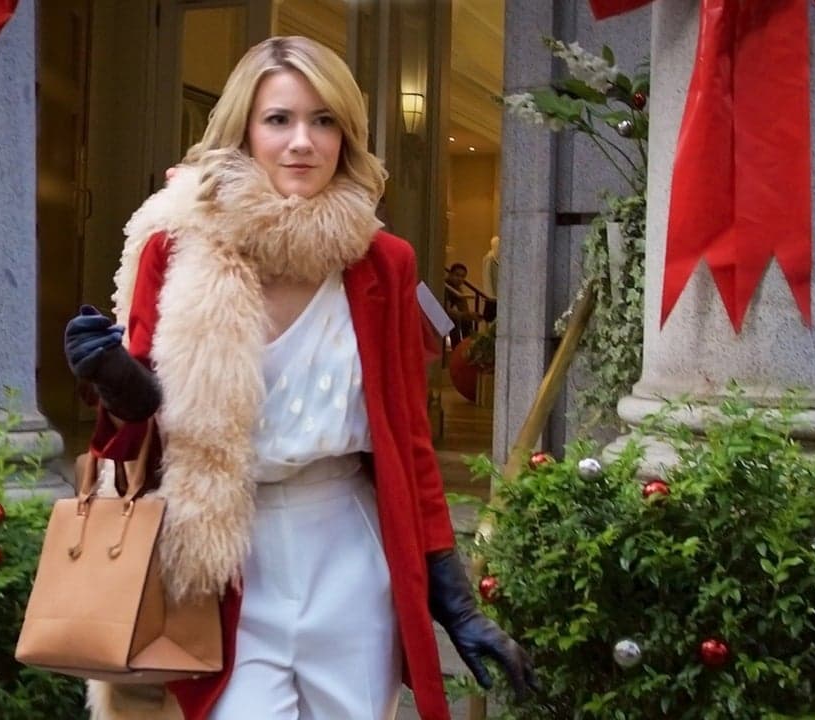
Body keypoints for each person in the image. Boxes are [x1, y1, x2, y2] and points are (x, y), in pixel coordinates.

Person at [62, 36, 535, 720]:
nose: (302, 142)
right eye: (279, 119)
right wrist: (116, 383)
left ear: (347, 136)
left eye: (324, 120)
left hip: (348, 549)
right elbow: (134, 438)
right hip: (225, 560)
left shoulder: (383, 263)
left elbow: (408, 441)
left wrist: (454, 602)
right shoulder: (179, 249)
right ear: (244, 132)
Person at [443, 262, 480, 347]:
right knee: (454, 320)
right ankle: (457, 347)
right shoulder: (445, 287)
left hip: (449, 315)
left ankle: (469, 347)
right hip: (437, 315)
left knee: (467, 320)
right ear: (450, 274)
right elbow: (446, 310)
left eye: (463, 276)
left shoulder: (458, 290)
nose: (460, 279)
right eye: (457, 275)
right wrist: (464, 315)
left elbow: (464, 309)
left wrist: (470, 315)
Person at [481, 236, 499, 322]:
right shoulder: (489, 258)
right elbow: (487, 278)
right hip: (492, 295)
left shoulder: (498, 258)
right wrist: (489, 294)